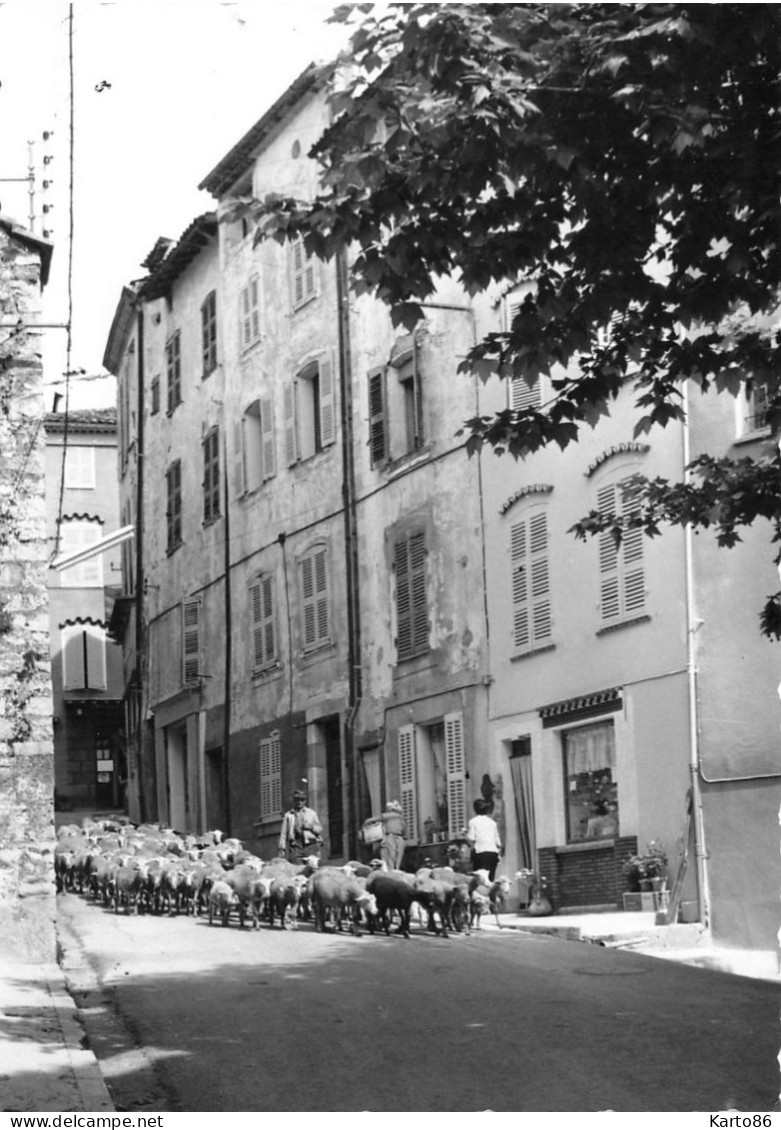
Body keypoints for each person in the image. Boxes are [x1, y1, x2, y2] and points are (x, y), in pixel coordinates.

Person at [278, 790, 323, 864]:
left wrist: (311, 827)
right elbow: (283, 833)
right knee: (296, 867)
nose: (299, 802)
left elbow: (319, 829)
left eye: (302, 800)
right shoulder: (288, 815)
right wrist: (282, 848)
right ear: (294, 801)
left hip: (310, 845)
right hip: (296, 846)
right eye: (297, 800)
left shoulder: (311, 813)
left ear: (305, 801)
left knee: (311, 868)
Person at [467, 798, 503, 880]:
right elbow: (498, 842)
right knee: (490, 879)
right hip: (493, 853)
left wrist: (465, 835)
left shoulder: (473, 821)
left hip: (481, 853)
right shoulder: (492, 823)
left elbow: (471, 838)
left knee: (480, 880)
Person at [380, 799, 406, 870]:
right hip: (400, 839)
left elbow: (371, 820)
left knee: (389, 859)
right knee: (397, 861)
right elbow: (404, 831)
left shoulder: (386, 816)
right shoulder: (401, 818)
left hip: (390, 838)